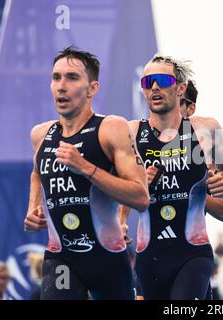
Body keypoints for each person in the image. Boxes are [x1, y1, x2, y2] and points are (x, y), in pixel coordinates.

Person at [23, 46, 149, 300]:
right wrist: (33, 207)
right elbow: (37, 171)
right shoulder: (41, 134)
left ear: (92, 88)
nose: (61, 85)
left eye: (72, 77)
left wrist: (86, 168)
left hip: (106, 256)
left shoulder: (110, 128)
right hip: (61, 256)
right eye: (56, 77)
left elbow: (140, 197)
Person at [119, 55, 223, 300]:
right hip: (148, 256)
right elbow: (119, 189)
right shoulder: (129, 132)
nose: (154, 87)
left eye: (162, 80)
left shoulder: (204, 129)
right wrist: (121, 220)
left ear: (180, 88)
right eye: (148, 81)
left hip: (192, 253)